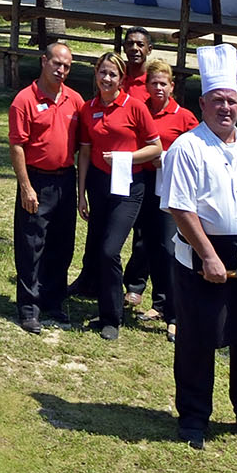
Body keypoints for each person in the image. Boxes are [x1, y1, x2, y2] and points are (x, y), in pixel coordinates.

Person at [155, 46, 237, 448]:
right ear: (202, 104)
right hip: (201, 254)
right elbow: (180, 206)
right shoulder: (187, 147)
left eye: (231, 101)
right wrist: (207, 254)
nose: (225, 108)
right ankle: (193, 417)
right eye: (217, 102)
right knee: (198, 340)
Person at [74, 53, 161, 341]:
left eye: (113, 74)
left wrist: (126, 157)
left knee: (110, 250)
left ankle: (113, 318)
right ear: (96, 74)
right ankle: (104, 306)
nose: (107, 79)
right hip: (98, 184)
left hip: (129, 186)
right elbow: (84, 152)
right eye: (103, 73)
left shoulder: (135, 107)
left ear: (121, 79)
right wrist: (81, 193)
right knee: (98, 247)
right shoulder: (89, 109)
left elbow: (155, 149)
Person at [6, 41, 87, 333]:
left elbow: (84, 146)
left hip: (65, 179)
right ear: (44, 61)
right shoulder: (24, 100)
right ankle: (29, 308)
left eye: (66, 66)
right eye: (56, 63)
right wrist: (26, 187)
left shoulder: (75, 100)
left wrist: (80, 190)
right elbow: (17, 147)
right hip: (36, 180)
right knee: (31, 246)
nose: (61, 70)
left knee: (61, 245)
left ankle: (53, 302)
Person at [131, 51, 199, 320]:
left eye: (163, 83)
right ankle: (157, 302)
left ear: (172, 86)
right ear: (146, 85)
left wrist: (167, 160)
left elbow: (195, 151)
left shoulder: (184, 117)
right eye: (153, 83)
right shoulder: (139, 110)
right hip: (142, 181)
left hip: (170, 186)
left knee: (167, 245)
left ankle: (174, 309)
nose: (158, 88)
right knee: (144, 240)